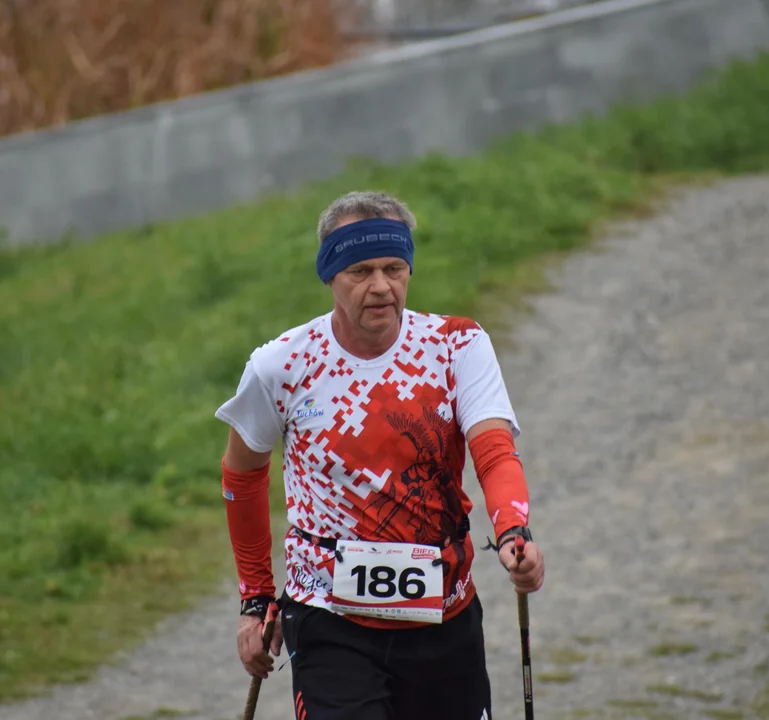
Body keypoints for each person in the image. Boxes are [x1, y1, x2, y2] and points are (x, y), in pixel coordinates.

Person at [214, 190, 545, 719]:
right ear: (330, 276)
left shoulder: (457, 345)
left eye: (394, 268)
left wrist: (512, 530)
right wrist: (256, 598)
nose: (381, 286)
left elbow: (493, 450)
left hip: (444, 610)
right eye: (361, 271)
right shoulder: (283, 364)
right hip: (328, 616)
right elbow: (243, 474)